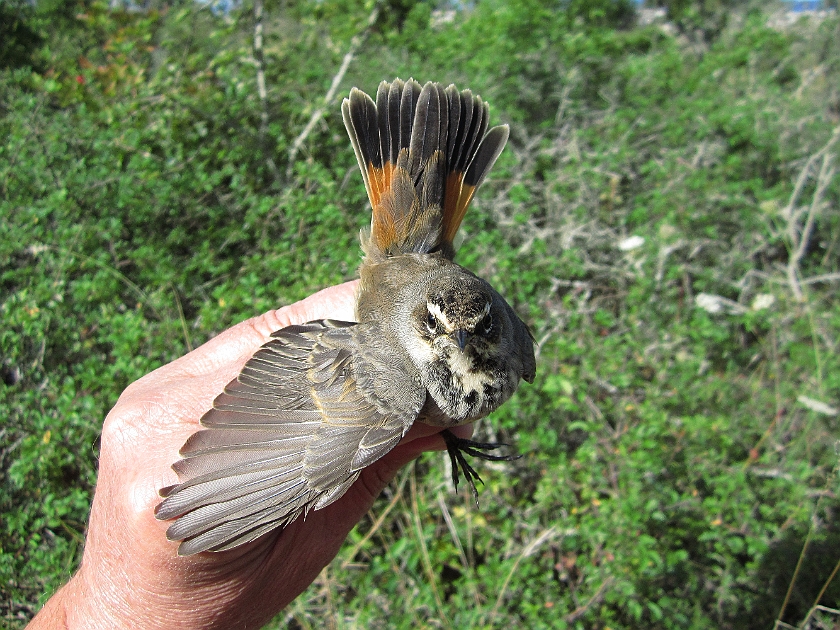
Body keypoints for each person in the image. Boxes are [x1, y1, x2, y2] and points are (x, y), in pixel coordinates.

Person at [29, 281, 472, 629]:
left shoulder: (492, 352)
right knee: (345, 444)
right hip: (387, 355)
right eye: (436, 329)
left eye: (477, 331)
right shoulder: (396, 375)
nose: (461, 345)